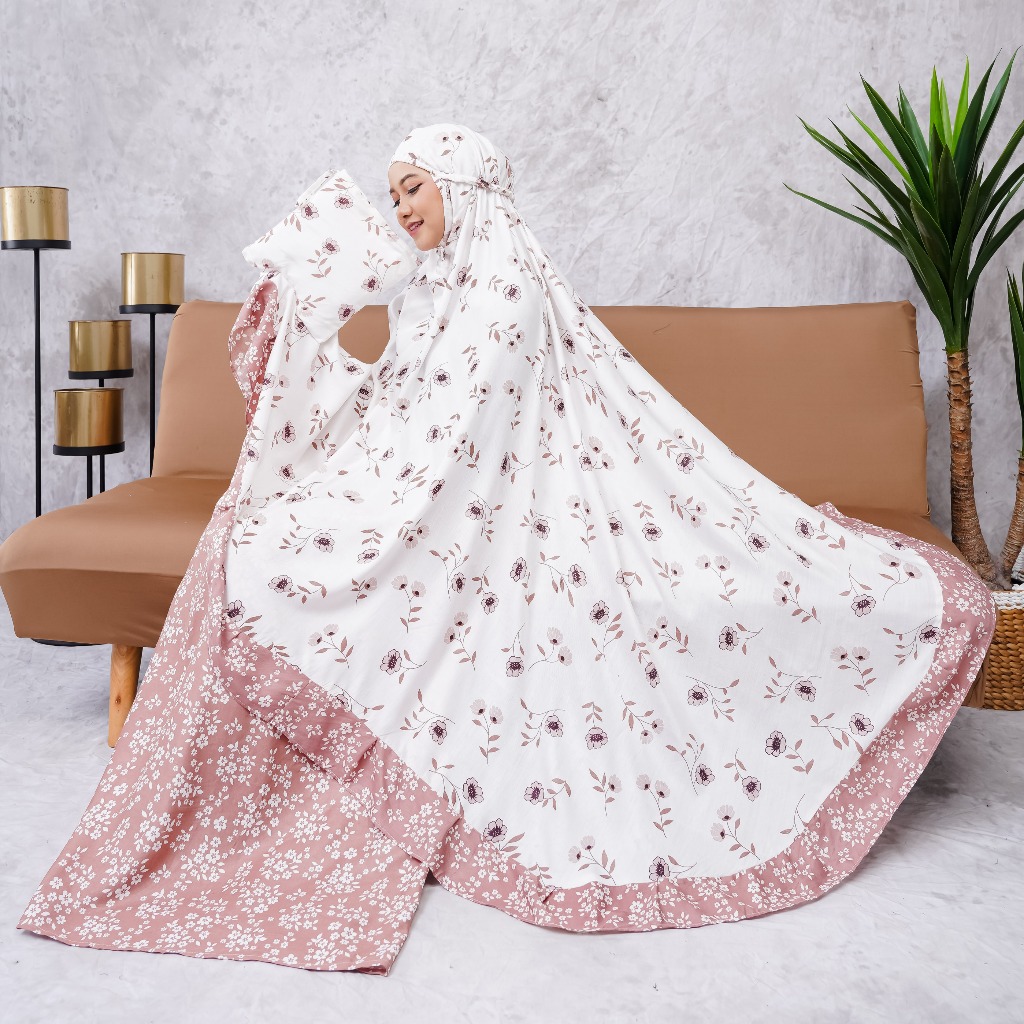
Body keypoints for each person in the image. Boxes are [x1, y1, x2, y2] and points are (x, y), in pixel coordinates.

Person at [16, 122, 997, 976]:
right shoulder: (429, 291)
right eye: (394, 192)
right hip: (449, 511)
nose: (402, 207)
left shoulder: (505, 291)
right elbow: (397, 405)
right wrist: (309, 324)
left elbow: (458, 440)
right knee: (258, 549)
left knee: (280, 560)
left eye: (415, 187)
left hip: (511, 521)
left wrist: (368, 499)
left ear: (464, 185)